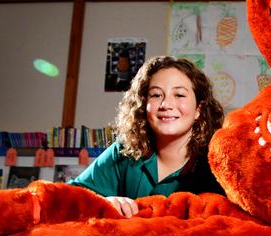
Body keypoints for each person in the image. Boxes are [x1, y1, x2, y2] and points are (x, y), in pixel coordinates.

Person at [70, 56, 225, 216]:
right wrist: (103, 202)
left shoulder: (218, 164)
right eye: (156, 95)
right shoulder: (123, 151)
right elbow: (68, 196)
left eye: (179, 95)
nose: (166, 105)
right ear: (143, 104)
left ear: (199, 109)